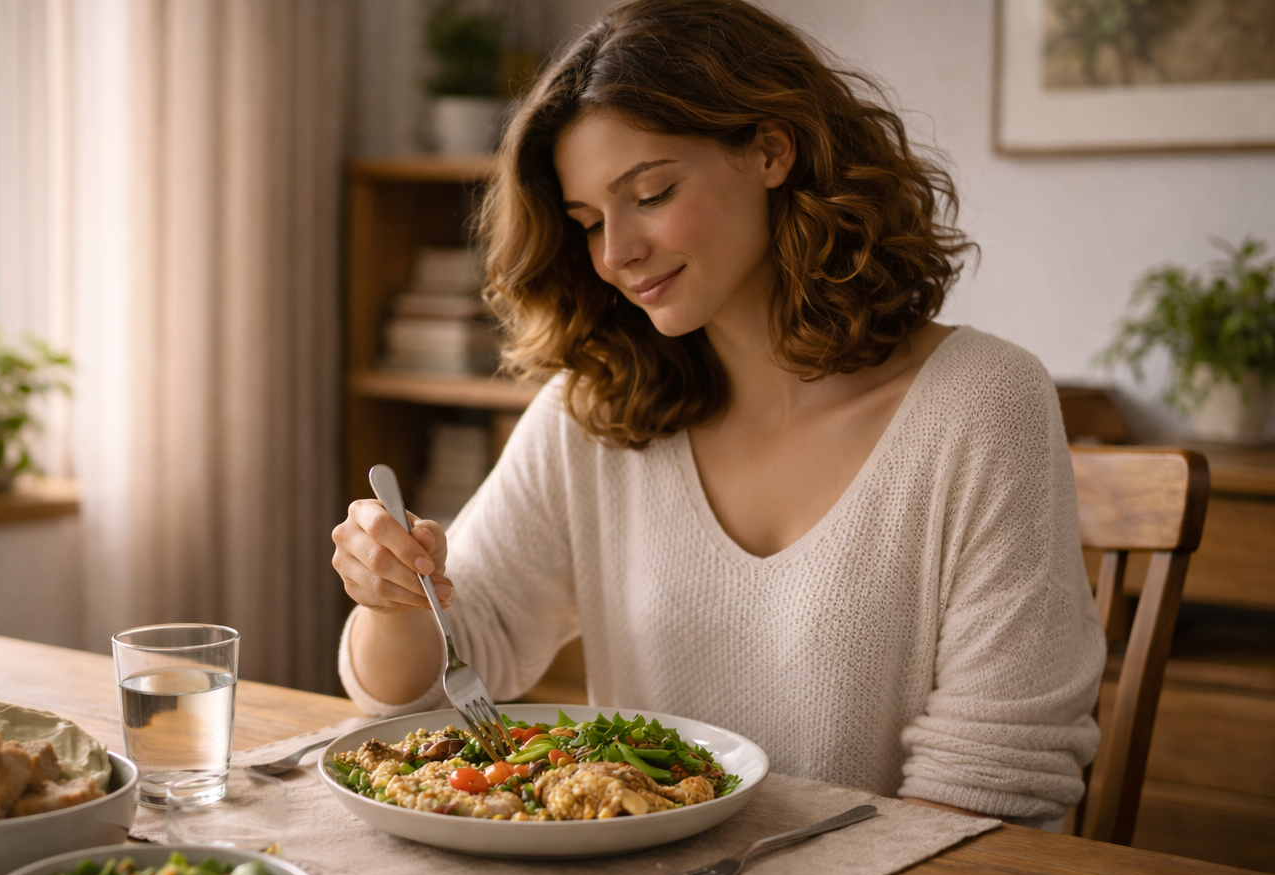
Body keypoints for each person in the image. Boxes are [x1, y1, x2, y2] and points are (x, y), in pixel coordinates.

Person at [330, 0, 1104, 822]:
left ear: (771, 150)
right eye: (588, 223)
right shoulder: (594, 413)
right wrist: (393, 601)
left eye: (652, 193)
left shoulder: (983, 404)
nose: (616, 253)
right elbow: (435, 684)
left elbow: (994, 783)